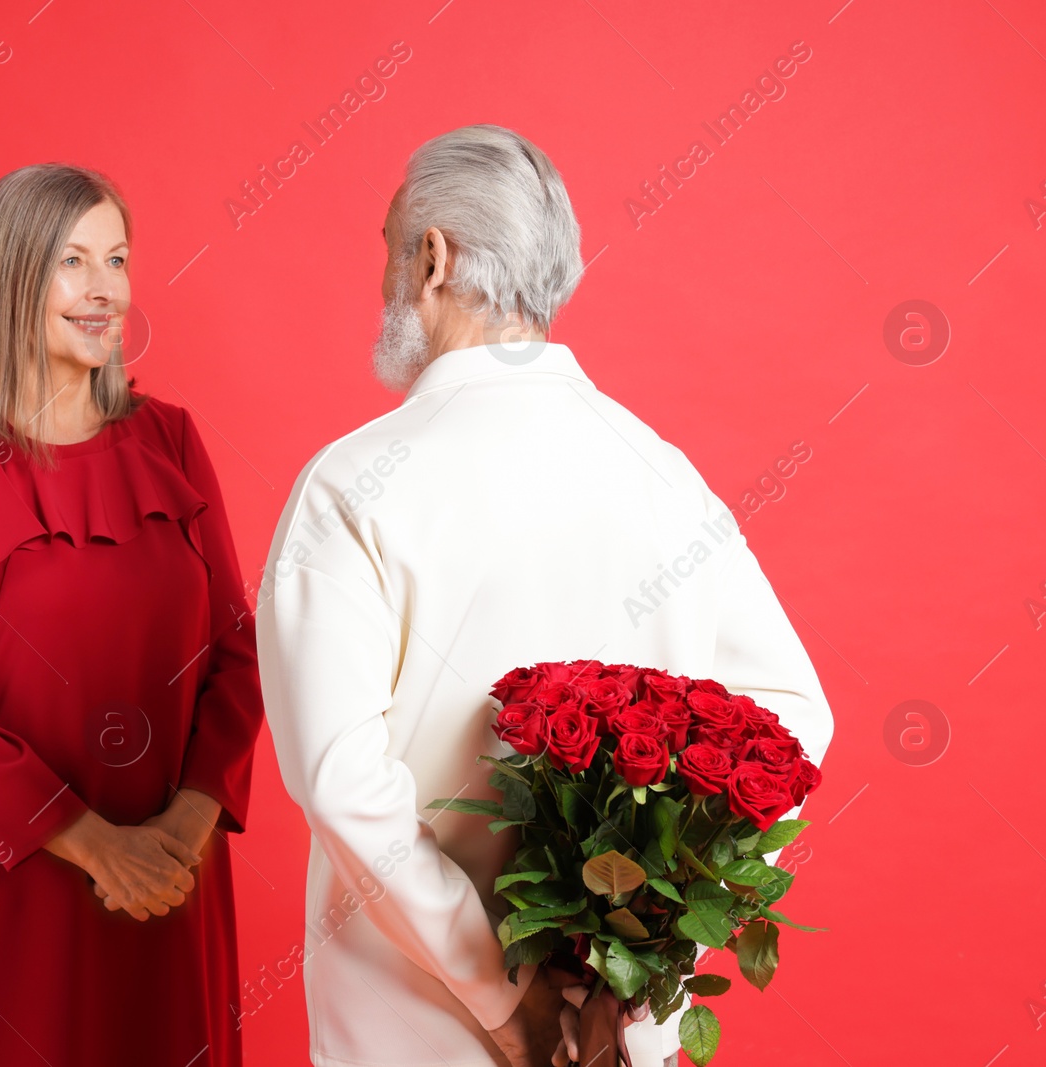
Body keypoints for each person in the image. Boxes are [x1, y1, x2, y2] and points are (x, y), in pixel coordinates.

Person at [255, 124, 833, 1067]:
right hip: (613, 1040)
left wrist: (503, 998)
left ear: (432, 259)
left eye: (392, 248)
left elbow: (341, 783)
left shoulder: (353, 481)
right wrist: (643, 973)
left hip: (412, 1033)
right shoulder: (660, 471)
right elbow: (795, 719)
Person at [0, 163, 264, 1067]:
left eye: (118, 259)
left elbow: (237, 654)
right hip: (14, 887)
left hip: (175, 880)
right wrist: (95, 847)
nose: (105, 290)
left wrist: (183, 828)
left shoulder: (170, 437)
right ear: (11, 278)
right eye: (73, 262)